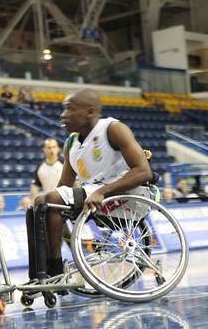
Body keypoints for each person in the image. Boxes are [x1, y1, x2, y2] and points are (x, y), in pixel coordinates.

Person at [28, 89, 152, 280]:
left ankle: (56, 270)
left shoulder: (113, 129)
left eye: (69, 109)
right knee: (41, 202)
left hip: (124, 192)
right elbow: (64, 186)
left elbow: (144, 171)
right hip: (94, 193)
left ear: (90, 112)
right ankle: (40, 270)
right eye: (63, 109)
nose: (63, 115)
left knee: (51, 198)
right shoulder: (71, 142)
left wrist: (102, 191)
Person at [30, 138, 63, 202]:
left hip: (64, 200)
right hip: (48, 201)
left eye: (54, 147)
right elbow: (35, 186)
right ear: (44, 149)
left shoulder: (64, 163)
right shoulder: (40, 166)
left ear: (58, 148)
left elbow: (75, 182)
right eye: (49, 147)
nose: (52, 150)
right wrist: (33, 202)